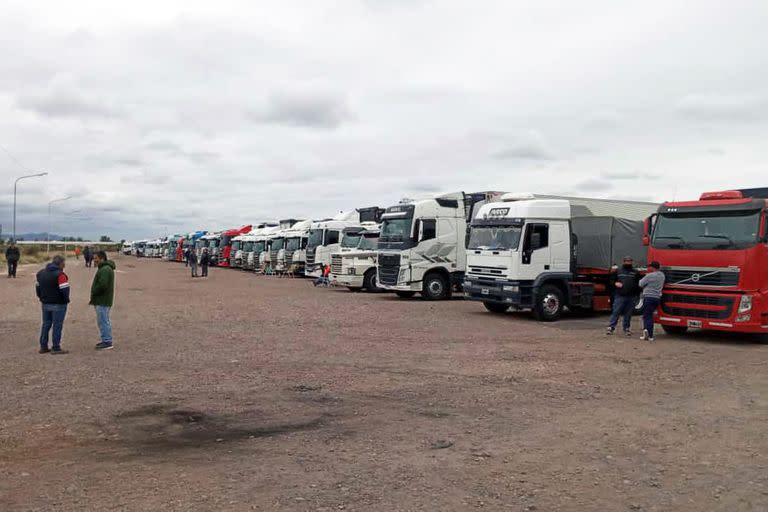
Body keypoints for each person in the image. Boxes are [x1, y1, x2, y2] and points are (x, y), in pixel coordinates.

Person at [35, 255, 70, 354]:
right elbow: (65, 290)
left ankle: (43, 346)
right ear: (60, 263)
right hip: (58, 304)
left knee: (46, 324)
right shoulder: (60, 275)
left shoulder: (41, 273)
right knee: (57, 325)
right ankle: (56, 347)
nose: (65, 264)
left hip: (45, 303)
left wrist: (41, 298)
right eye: (64, 262)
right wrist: (66, 300)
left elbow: (38, 288)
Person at [606, 256, 640, 337]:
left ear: (632, 262)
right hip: (620, 296)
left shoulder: (635, 272)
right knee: (616, 311)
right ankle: (611, 327)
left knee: (628, 314)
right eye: (627, 261)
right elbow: (611, 281)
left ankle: (626, 329)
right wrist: (615, 283)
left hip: (631, 296)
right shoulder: (618, 271)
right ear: (624, 262)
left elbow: (639, 284)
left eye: (630, 261)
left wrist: (637, 295)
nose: (628, 263)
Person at [90, 250, 116, 350]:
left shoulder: (105, 269)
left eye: (95, 258)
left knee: (103, 321)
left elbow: (103, 285)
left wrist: (94, 292)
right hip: (102, 299)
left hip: (102, 300)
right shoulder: (104, 268)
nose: (94, 260)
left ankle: (107, 341)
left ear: (102, 258)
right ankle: (106, 339)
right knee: (103, 320)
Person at [639, 261, 665, 342]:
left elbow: (640, 284)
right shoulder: (662, 275)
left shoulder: (649, 275)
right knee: (651, 315)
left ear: (652, 267)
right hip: (657, 297)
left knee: (647, 316)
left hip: (648, 297)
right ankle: (650, 335)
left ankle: (647, 332)